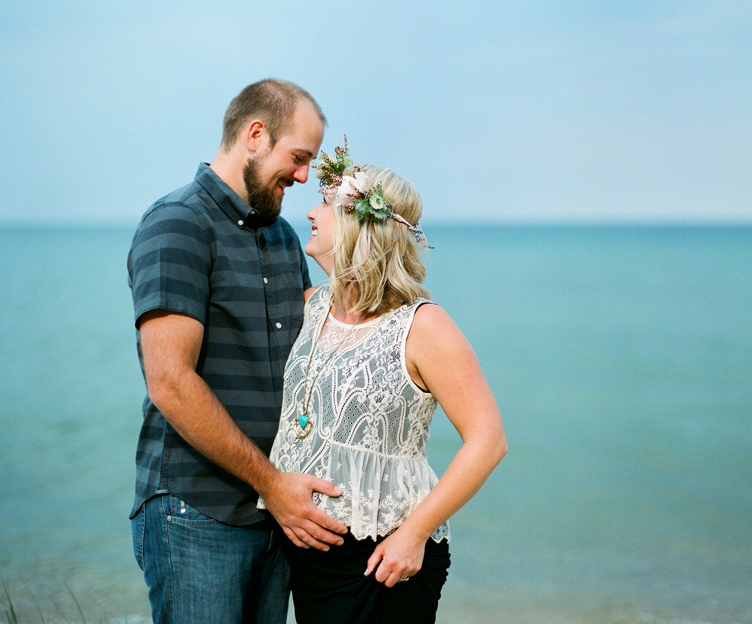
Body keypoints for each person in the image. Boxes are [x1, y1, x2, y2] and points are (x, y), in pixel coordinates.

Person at [127, 79, 350, 623]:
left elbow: (326, 344)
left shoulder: (280, 236)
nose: (303, 176)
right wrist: (272, 485)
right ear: (255, 135)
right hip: (197, 512)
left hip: (275, 516)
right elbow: (171, 382)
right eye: (298, 158)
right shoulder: (178, 222)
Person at [262, 140, 508, 623]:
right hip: (306, 554)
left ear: (359, 225)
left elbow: (488, 441)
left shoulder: (423, 325)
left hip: (385, 558)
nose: (311, 211)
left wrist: (414, 534)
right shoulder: (310, 306)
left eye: (327, 204)